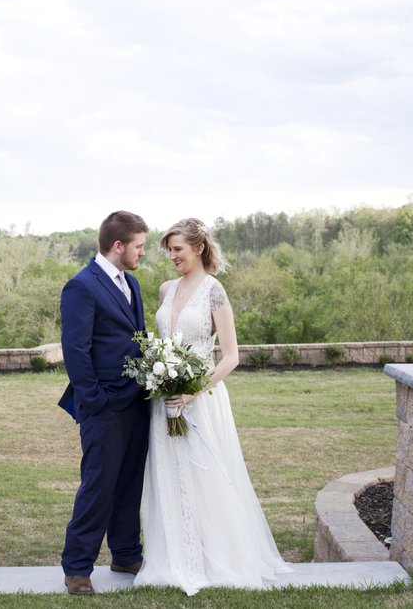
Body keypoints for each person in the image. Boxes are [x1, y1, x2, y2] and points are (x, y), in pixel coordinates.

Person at [133, 218, 290, 596]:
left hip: (200, 399)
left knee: (205, 474)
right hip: (164, 401)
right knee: (169, 474)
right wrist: (161, 375)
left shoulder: (214, 291)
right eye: (169, 250)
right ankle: (173, 554)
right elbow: (163, 342)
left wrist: (191, 391)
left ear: (198, 248)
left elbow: (232, 356)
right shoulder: (165, 289)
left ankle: (213, 556)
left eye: (178, 249)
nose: (172, 256)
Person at [58, 210, 151, 595]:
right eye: (139, 246)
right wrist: (95, 400)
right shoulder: (81, 286)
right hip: (104, 406)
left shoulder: (131, 283)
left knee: (130, 482)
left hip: (137, 402)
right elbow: (75, 349)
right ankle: (77, 567)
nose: (142, 254)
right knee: (98, 485)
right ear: (118, 246)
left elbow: (136, 337)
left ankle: (126, 552)